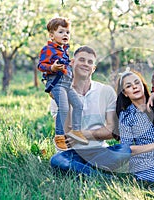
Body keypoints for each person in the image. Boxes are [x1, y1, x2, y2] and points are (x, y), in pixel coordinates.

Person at [50, 46, 131, 175]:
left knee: (125, 150)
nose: (85, 64)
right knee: (57, 161)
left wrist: (81, 135)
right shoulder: (59, 92)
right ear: (72, 62)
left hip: (99, 150)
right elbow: (65, 132)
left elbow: (112, 130)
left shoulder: (106, 91)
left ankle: (82, 170)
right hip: (71, 153)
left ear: (93, 68)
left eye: (90, 62)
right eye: (81, 60)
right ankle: (100, 175)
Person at [38, 17, 88, 150]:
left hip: (67, 84)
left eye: (67, 32)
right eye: (61, 32)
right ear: (51, 35)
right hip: (57, 84)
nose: (65, 35)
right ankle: (59, 136)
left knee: (78, 105)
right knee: (64, 108)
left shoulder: (64, 50)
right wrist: (52, 68)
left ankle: (76, 131)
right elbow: (41, 65)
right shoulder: (48, 49)